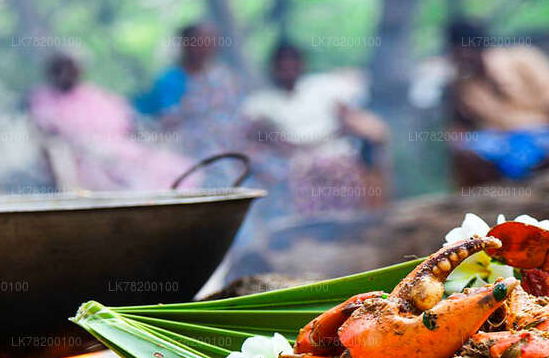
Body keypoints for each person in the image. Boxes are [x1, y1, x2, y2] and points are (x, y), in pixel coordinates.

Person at [241, 41, 388, 218]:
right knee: (302, 171)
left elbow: (350, 118)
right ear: (274, 68)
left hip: (333, 151)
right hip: (292, 159)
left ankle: (351, 223)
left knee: (338, 167)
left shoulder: (322, 88)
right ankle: (309, 227)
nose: (289, 70)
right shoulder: (262, 102)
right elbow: (252, 136)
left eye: (293, 64)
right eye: (283, 66)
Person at [444, 19, 549, 189]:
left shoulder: (523, 60)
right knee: (466, 158)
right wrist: (459, 144)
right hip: (498, 144)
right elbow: (461, 127)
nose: (459, 58)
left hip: (542, 137)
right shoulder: (461, 84)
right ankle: (489, 208)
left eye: (462, 51)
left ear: (474, 48)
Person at [29, 53, 194, 191]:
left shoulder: (93, 94)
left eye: (72, 68)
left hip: (118, 148)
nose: (67, 74)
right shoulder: (43, 97)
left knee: (167, 168)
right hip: (80, 155)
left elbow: (126, 120)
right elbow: (47, 130)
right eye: (62, 68)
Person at [133, 22, 250, 188]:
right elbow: (165, 121)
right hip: (188, 143)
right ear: (186, 44)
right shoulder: (171, 79)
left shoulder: (223, 77)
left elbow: (237, 112)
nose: (206, 46)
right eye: (199, 41)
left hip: (231, 139)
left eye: (210, 40)